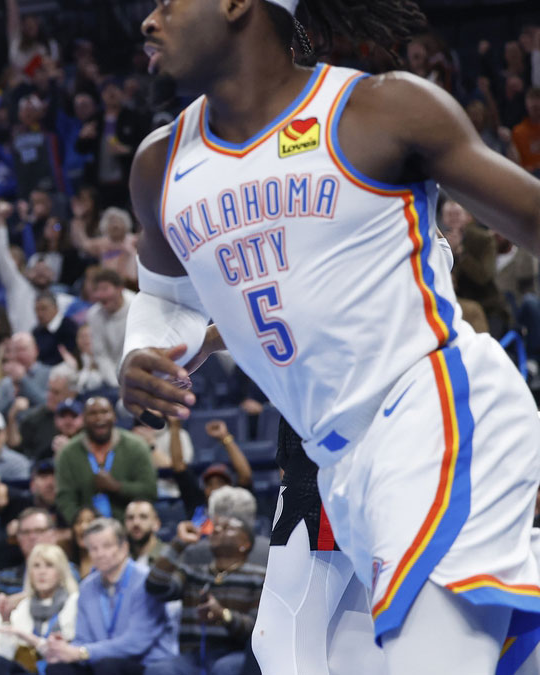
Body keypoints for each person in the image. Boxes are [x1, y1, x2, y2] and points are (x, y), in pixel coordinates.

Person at [122, 0, 540, 671]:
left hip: (435, 410)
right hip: (335, 463)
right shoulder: (159, 166)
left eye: (169, 1)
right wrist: (142, 352)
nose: (148, 20)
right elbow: (165, 302)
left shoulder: (380, 110)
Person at [43, 518, 174, 674]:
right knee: (58, 668)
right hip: (100, 661)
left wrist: (82, 652)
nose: (100, 554)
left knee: (108, 667)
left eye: (107, 546)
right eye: (93, 548)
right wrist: (64, 649)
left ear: (124, 547)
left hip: (144, 662)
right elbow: (83, 638)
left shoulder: (145, 581)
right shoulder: (86, 587)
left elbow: (136, 643)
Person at [145, 516, 266, 675]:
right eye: (216, 527)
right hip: (193, 657)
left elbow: (257, 631)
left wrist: (224, 615)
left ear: (245, 544)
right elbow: (155, 586)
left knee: (225, 668)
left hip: (234, 653)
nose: (215, 530)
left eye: (226, 528)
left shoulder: (259, 578)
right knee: (158, 670)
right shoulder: (194, 573)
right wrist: (178, 544)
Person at [54, 397, 157, 524]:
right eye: (93, 413)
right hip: (87, 530)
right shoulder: (68, 453)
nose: (99, 418)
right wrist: (79, 523)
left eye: (104, 412)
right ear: (83, 419)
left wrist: (116, 487)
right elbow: (65, 499)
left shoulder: (136, 447)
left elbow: (149, 491)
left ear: (114, 416)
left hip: (129, 527)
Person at [0, 544, 79, 675]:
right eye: (36, 566)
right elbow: (6, 653)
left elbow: (66, 651)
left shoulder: (74, 602)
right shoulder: (24, 605)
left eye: (49, 565)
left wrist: (31, 639)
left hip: (60, 668)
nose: (42, 572)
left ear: (61, 572)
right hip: (29, 670)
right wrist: (5, 620)